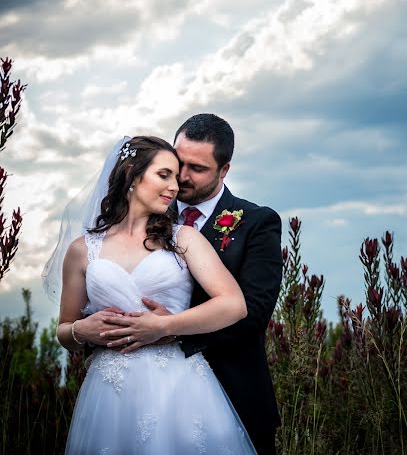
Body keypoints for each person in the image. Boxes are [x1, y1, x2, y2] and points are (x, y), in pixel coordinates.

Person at [54, 135, 258, 454]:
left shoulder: (184, 238)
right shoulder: (82, 250)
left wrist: (164, 326)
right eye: (164, 175)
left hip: (178, 386)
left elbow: (234, 304)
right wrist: (82, 330)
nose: (175, 186)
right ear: (133, 174)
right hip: (109, 392)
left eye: (176, 177)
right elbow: (64, 330)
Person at [100, 115, 283, 455]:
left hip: (234, 390)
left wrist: (168, 329)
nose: (182, 177)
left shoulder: (257, 223)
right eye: (177, 163)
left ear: (224, 169)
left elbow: (254, 313)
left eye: (196, 168)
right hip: (141, 396)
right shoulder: (143, 218)